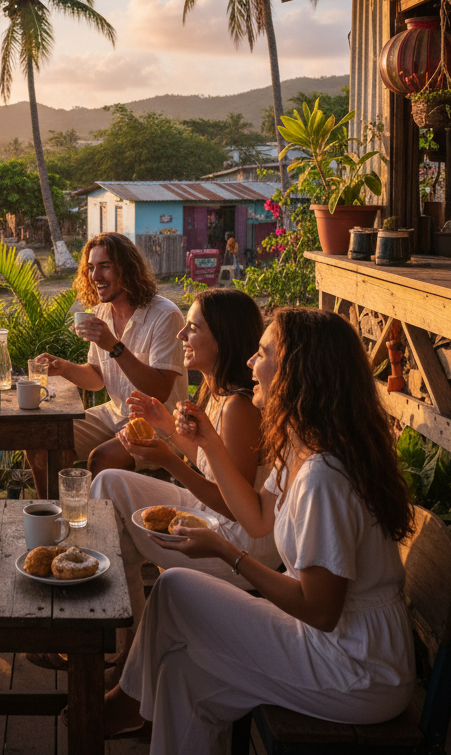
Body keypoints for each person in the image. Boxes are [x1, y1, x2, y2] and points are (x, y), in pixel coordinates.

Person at [101, 307, 415, 752]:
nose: (250, 362)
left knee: (172, 590)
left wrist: (224, 552)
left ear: (296, 372)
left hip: (357, 667)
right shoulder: (301, 447)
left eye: (264, 352)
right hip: (338, 645)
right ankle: (130, 702)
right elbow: (255, 519)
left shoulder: (325, 475)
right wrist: (207, 441)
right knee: (180, 675)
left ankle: (124, 705)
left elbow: (320, 610)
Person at [86, 288, 279, 678]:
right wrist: (166, 428)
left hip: (238, 542)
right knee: (109, 484)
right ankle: (132, 646)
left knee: (114, 523)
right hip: (212, 515)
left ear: (222, 338)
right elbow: (211, 464)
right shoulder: (215, 393)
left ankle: (126, 652)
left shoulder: (240, 407)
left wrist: (168, 459)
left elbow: (234, 507)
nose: (181, 336)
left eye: (193, 328)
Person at [28, 232, 187, 486]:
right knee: (40, 439)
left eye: (105, 267)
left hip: (160, 423)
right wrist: (65, 368)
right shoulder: (101, 312)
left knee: (101, 458)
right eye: (91, 268)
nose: (95, 276)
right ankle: (54, 517)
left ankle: (89, 523)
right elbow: (97, 379)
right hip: (114, 414)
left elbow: (160, 390)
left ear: (128, 270)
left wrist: (113, 345)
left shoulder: (165, 315)